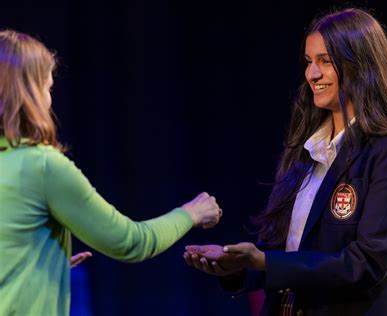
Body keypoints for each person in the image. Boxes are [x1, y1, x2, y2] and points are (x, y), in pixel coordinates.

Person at [183, 7, 387, 315]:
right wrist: (237, 268)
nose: (312, 74)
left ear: (362, 65)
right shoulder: (309, 147)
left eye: (325, 61)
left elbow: (366, 264)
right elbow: (292, 253)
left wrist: (264, 261)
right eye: (308, 62)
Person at [0, 29, 222, 316]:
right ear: (30, 94)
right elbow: (131, 242)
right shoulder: (43, 166)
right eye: (47, 88)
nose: (48, 101)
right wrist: (191, 213)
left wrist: (39, 263)